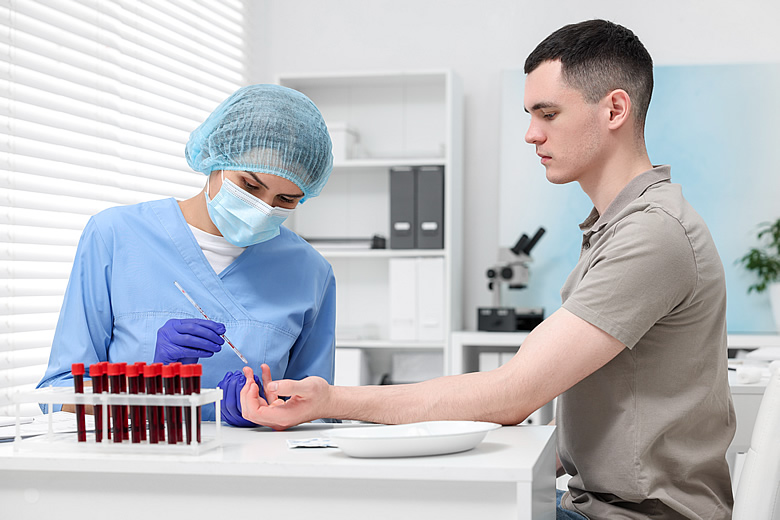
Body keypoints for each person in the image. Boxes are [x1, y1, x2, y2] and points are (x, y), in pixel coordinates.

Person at [239, 20, 736, 520]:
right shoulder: (616, 227)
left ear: (614, 109)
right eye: (529, 114)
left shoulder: (652, 233)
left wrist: (330, 400)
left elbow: (513, 394)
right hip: (593, 503)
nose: (530, 133)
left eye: (548, 113)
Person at [37, 84, 337, 425]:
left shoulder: (309, 271)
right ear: (217, 159)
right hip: (131, 465)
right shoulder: (115, 235)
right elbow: (56, 397)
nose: (263, 208)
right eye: (250, 186)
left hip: (255, 472)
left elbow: (318, 416)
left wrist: (264, 413)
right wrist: (147, 384)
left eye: (286, 200)